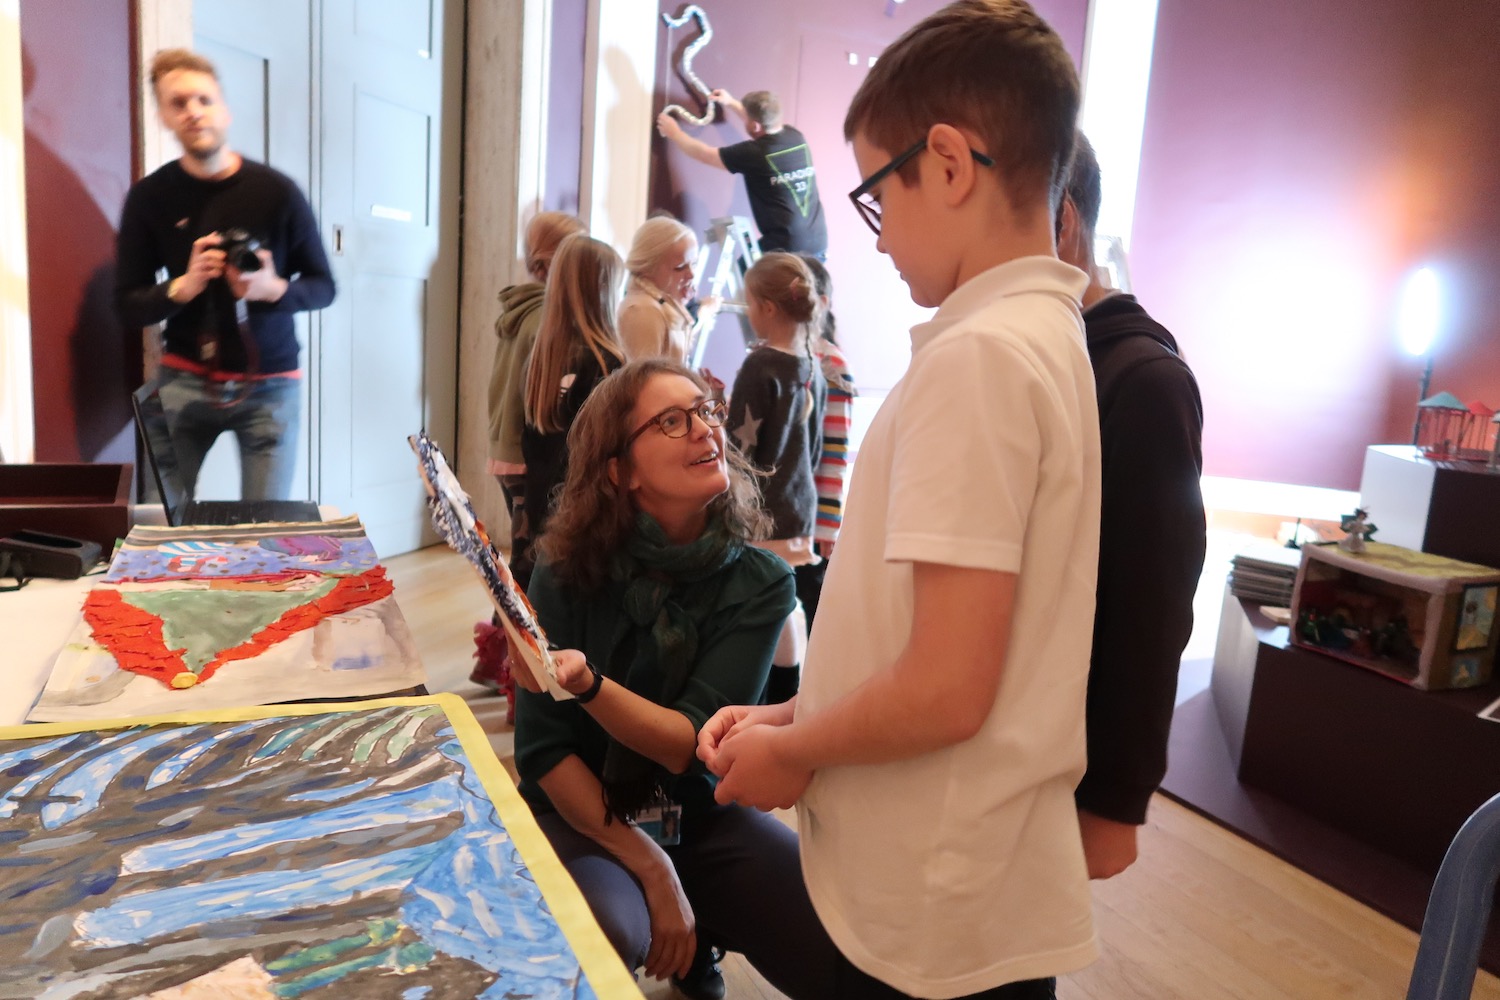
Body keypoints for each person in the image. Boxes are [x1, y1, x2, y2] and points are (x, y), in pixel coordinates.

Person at [698, 2, 1100, 997]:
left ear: (952, 164)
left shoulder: (981, 360)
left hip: (930, 897)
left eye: (878, 195)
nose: (873, 241)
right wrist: (794, 726)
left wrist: (800, 752)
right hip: (973, 875)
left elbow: (947, 683)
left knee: (712, 852)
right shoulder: (1045, 337)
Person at [510, 358, 841, 1000]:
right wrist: (654, 869)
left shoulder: (761, 582)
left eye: (706, 410)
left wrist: (588, 685)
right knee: (604, 929)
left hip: (699, 814)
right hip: (583, 819)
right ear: (620, 471)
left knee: (844, 958)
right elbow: (546, 754)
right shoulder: (563, 571)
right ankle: (669, 907)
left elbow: (691, 744)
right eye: (671, 421)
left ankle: (702, 929)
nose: (704, 429)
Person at [1055, 131, 1207, 880]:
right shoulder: (1040, 354)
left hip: (1065, 753)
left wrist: (1116, 798)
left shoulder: (1142, 380)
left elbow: (1152, 602)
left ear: (1061, 223)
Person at [114, 48, 334, 501]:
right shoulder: (150, 198)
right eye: (178, 103)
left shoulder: (277, 193)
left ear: (224, 109)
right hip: (181, 380)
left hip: (272, 383)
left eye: (203, 99)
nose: (193, 112)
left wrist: (273, 289)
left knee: (264, 533)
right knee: (160, 523)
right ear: (163, 117)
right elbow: (125, 305)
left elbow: (323, 287)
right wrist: (183, 285)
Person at [473, 211, 587, 705]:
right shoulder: (548, 317)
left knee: (521, 559)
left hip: (506, 450)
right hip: (527, 454)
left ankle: (495, 655)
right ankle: (515, 671)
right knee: (526, 564)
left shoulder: (519, 308)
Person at [728, 251, 828, 704]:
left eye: (749, 304)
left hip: (761, 510)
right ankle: (790, 690)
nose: (749, 314)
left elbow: (737, 448)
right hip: (798, 507)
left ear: (767, 308)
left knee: (764, 604)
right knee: (784, 599)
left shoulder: (759, 366)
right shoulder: (812, 364)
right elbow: (817, 446)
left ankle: (771, 693)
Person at [520, 234, 627, 574]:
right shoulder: (609, 364)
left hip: (543, 505)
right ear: (605, 288)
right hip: (588, 514)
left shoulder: (540, 361)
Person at [656, 90, 828, 258]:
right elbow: (758, 122)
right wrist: (731, 102)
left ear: (755, 125)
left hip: (786, 249)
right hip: (817, 243)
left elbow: (705, 155)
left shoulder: (755, 153)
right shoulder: (796, 137)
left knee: (751, 280)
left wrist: (675, 133)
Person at [797, 253, 857, 629]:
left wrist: (828, 524)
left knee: (815, 613)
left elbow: (835, 449)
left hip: (813, 521)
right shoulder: (772, 355)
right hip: (785, 518)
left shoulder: (831, 365)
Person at [619, 216, 720, 364]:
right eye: (680, 267)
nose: (691, 274)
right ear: (647, 268)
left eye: (694, 264)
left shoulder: (659, 304)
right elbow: (645, 383)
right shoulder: (643, 312)